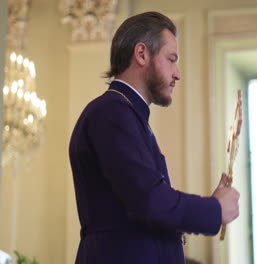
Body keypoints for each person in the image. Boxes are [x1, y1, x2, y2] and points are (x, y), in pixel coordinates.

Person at [69, 11, 240, 264]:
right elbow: (149, 201)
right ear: (141, 54)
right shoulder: (111, 112)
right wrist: (213, 209)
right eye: (171, 59)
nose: (177, 74)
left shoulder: (127, 113)